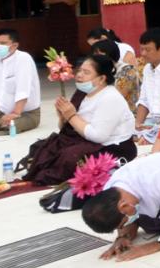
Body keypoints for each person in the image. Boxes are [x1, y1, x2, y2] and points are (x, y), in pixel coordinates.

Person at [23, 53, 139, 185]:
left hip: (111, 147)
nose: (79, 75)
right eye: (80, 70)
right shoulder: (82, 93)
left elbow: (98, 136)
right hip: (84, 141)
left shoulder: (110, 98)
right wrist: (63, 117)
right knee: (41, 147)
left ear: (101, 78)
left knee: (69, 157)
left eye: (86, 72)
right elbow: (68, 130)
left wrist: (71, 116)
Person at [132, 28, 160, 142]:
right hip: (151, 123)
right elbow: (144, 100)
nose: (143, 54)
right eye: (142, 49)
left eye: (148, 50)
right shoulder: (147, 68)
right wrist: (137, 125)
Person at [0, 26, 41, 133]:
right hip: (0, 112)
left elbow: (23, 90)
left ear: (15, 45)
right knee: (4, 123)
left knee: (10, 125)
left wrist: (15, 113)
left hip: (25, 114)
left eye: (3, 43)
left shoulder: (23, 58)